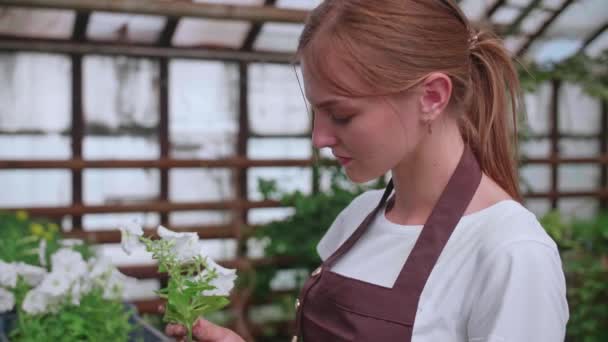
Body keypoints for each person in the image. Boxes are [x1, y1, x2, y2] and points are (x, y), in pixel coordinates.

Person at [167, 0, 569, 341]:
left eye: (341, 114)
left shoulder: (510, 254)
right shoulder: (358, 218)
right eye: (316, 111)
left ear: (431, 96)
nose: (319, 137)